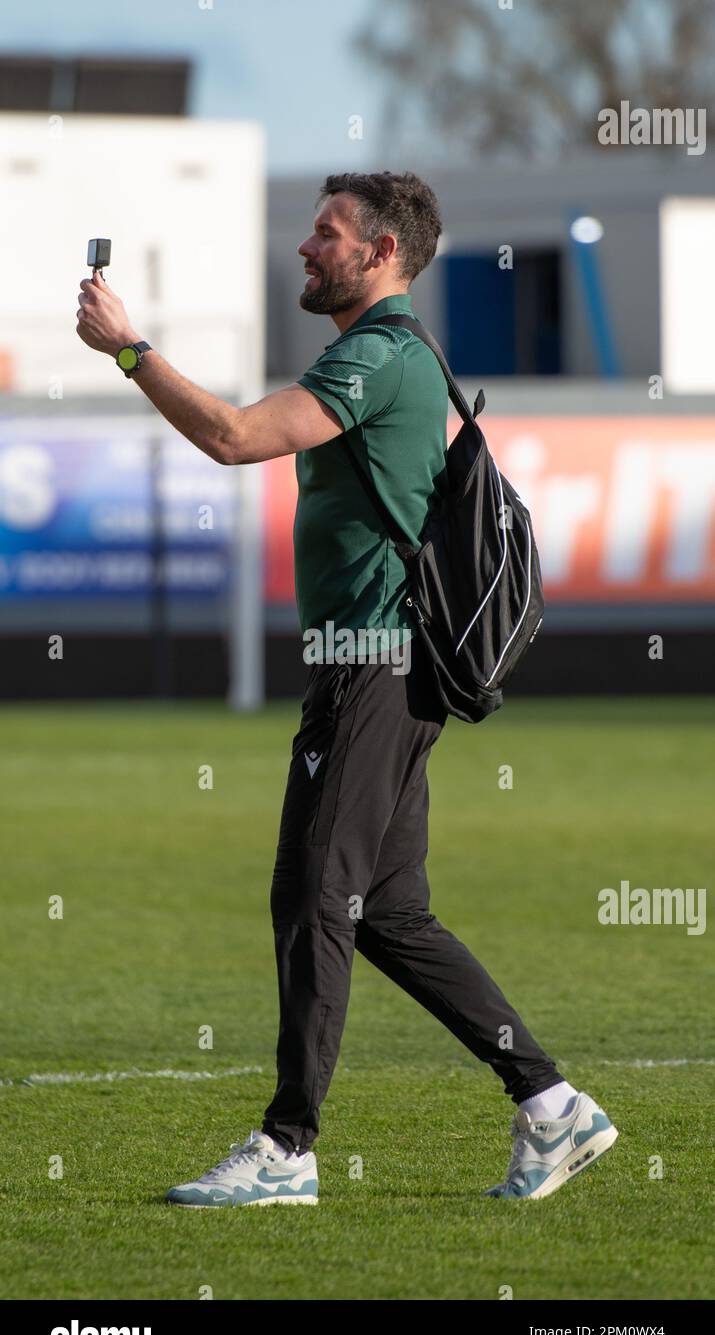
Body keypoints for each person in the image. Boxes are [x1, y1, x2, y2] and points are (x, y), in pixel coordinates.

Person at [77, 169, 618, 1207]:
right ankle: (551, 1105)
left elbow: (234, 438)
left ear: (381, 254)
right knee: (388, 913)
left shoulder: (376, 356)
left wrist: (131, 351)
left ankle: (288, 1147)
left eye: (324, 234)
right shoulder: (377, 354)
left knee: (314, 894)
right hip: (371, 667)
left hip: (374, 667)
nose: (304, 248)